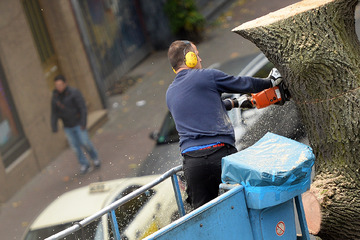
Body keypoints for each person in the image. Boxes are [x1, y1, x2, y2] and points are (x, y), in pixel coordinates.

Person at [166, 40, 282, 209]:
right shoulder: (207, 76)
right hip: (221, 156)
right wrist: (270, 82)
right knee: (244, 205)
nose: (200, 59)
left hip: (193, 165)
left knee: (204, 217)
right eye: (197, 55)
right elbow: (243, 83)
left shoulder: (170, 93)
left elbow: (199, 108)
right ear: (189, 58)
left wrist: (234, 104)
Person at [51, 75, 100, 174]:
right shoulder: (55, 97)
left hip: (78, 123)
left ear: (65, 83)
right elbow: (54, 112)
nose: (59, 87)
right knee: (75, 147)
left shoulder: (74, 93)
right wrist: (54, 125)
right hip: (67, 126)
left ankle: (95, 158)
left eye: (60, 85)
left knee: (85, 142)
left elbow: (82, 107)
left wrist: (83, 122)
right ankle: (84, 164)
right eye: (57, 85)